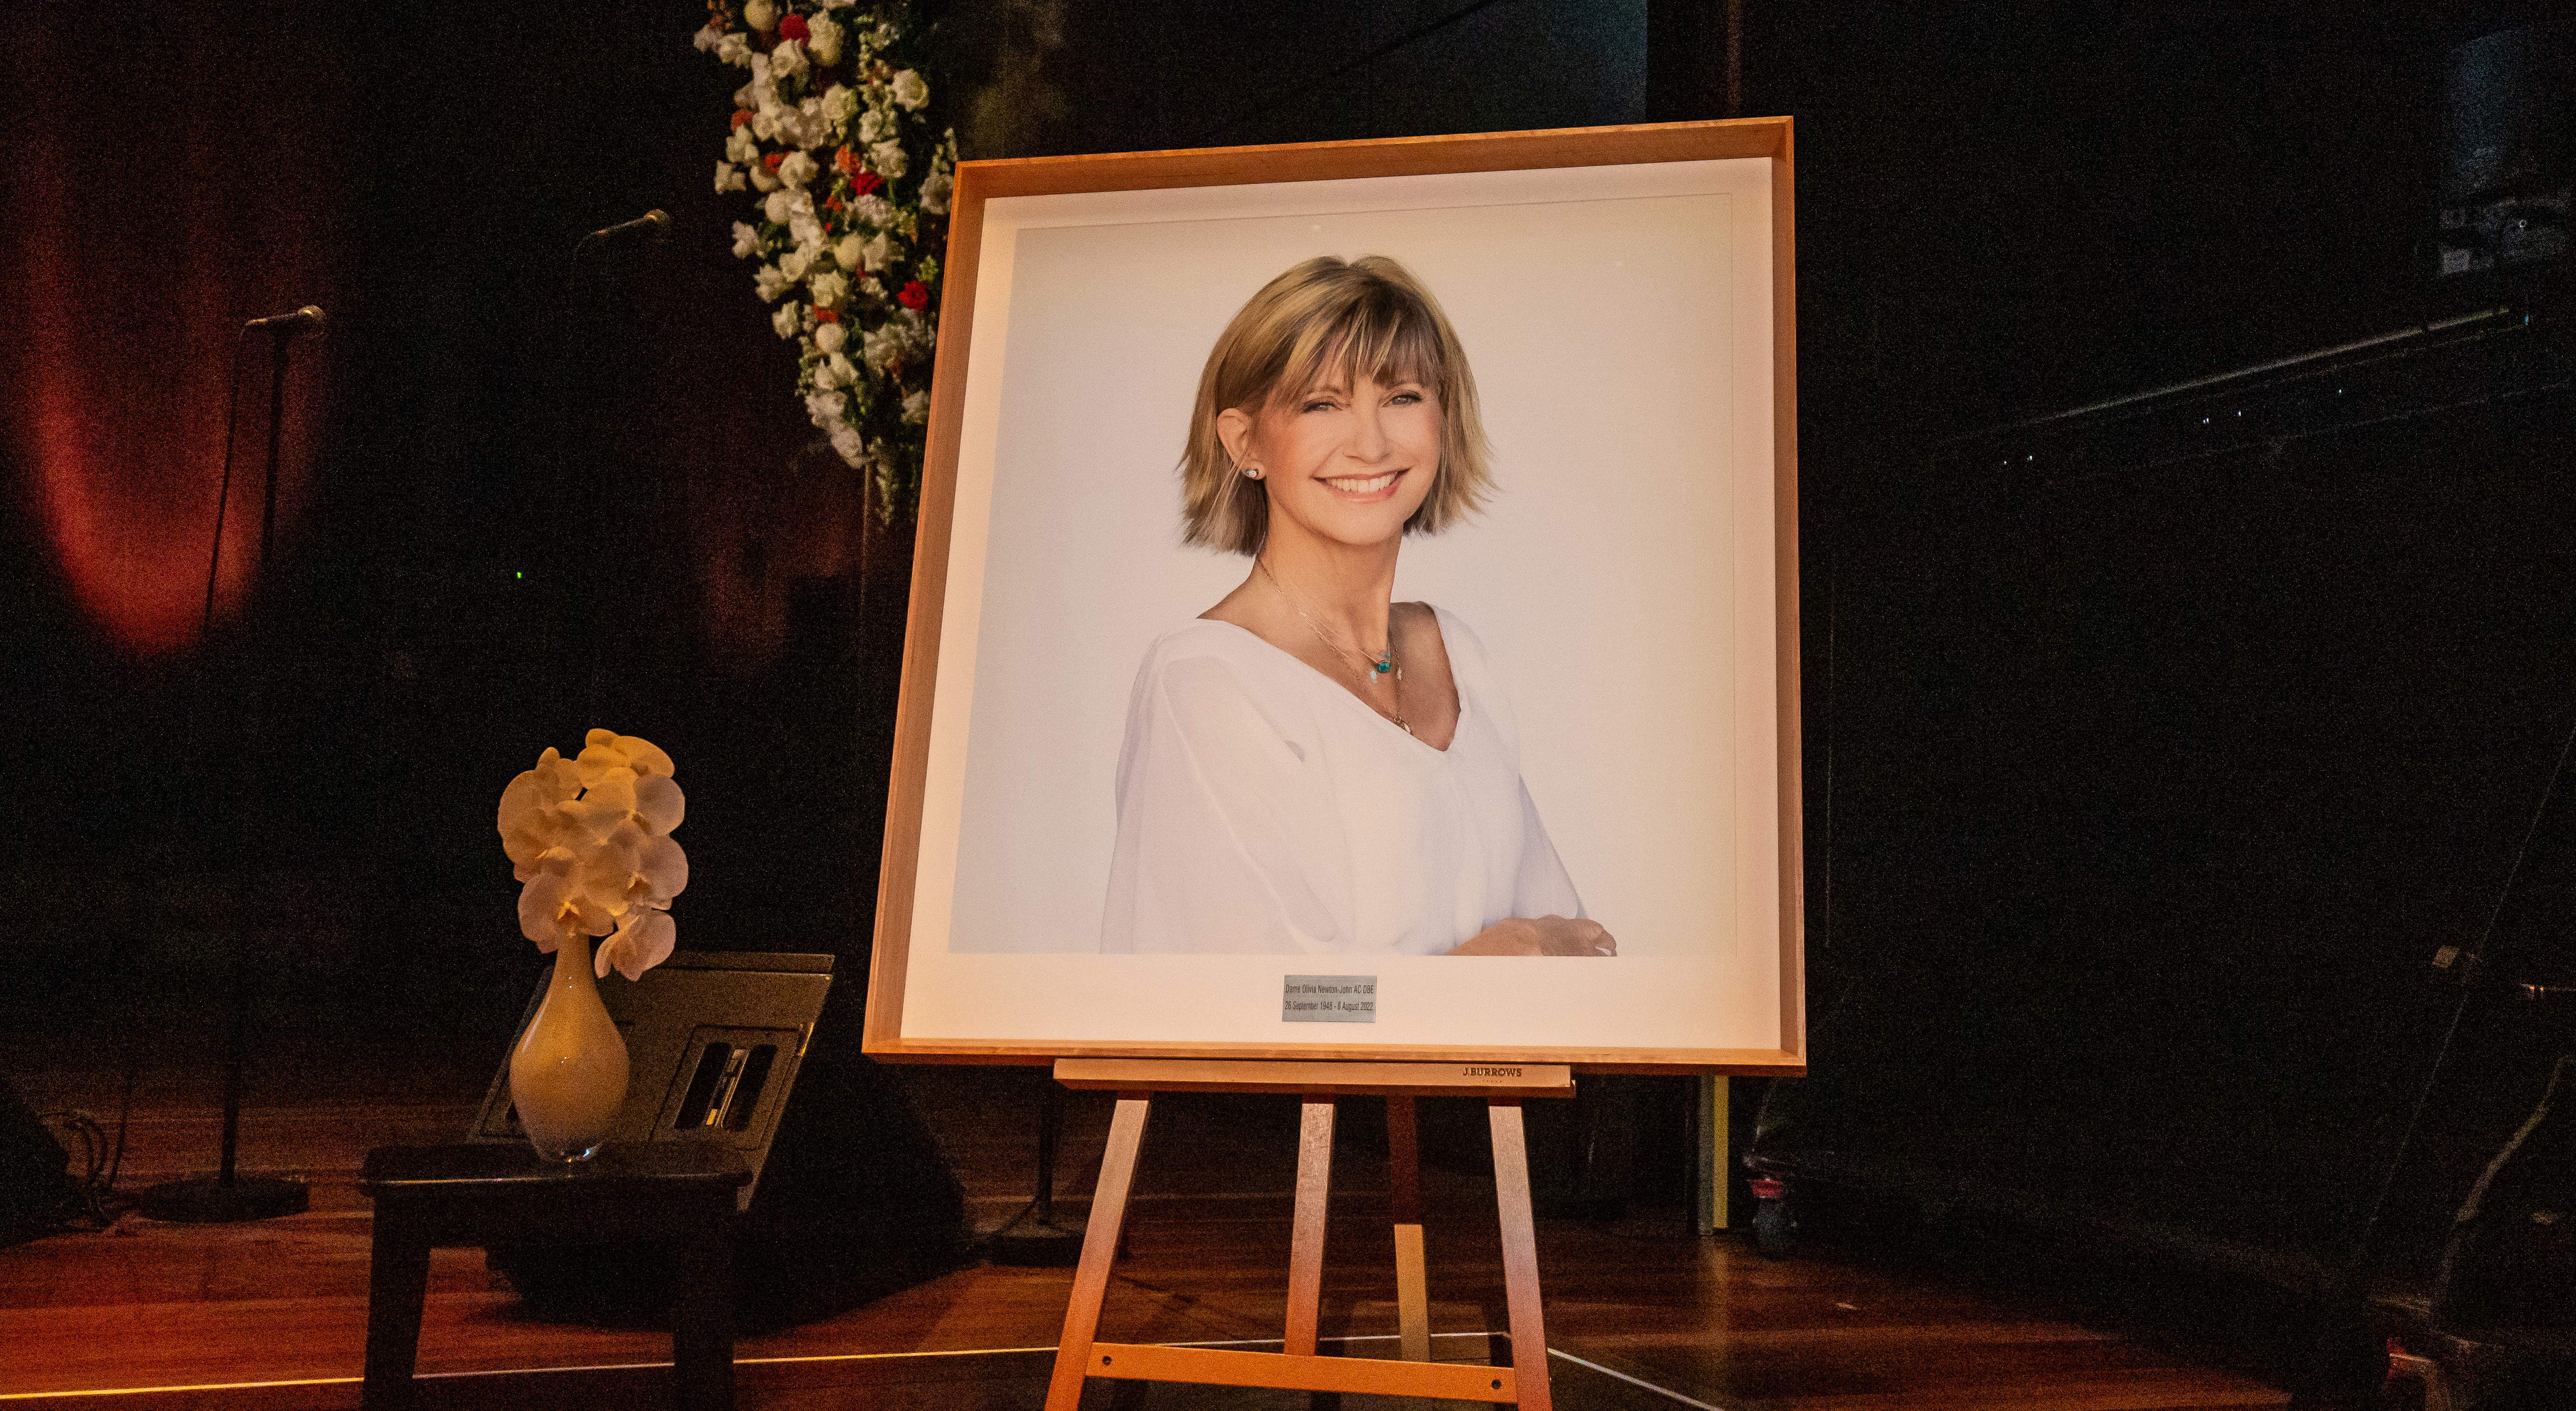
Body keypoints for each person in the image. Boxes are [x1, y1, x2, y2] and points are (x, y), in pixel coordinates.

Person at [1099, 254, 1614, 958]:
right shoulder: (1204, 684)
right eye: (1321, 404)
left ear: (1443, 419)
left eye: (1402, 397)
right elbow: (1261, 1014)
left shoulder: (1455, 653)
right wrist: (1504, 957)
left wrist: (1523, 954)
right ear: (1244, 441)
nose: (1370, 444)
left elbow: (1578, 946)